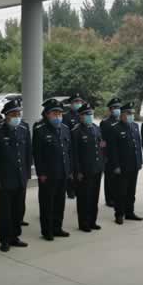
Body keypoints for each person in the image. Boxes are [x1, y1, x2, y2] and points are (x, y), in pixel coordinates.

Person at [0, 99, 32, 252]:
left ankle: (15, 236)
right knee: (6, 213)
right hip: (5, 180)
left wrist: (27, 175)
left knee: (18, 210)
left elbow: (28, 154)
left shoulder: (23, 130)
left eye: (18, 114)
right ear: (6, 116)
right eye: (14, 114)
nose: (17, 117)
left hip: (20, 178)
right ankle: (5, 240)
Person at [33, 98, 72, 241]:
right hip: (48, 174)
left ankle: (57, 227)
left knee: (60, 202)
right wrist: (41, 173)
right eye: (54, 113)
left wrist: (69, 170)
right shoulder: (40, 130)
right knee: (47, 203)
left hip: (63, 172)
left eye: (60, 113)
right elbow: (37, 154)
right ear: (47, 114)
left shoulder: (65, 129)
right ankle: (47, 230)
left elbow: (68, 151)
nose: (58, 116)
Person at [107, 102, 143, 225]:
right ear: (122, 114)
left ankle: (129, 212)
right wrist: (116, 166)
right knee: (121, 192)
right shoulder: (115, 128)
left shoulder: (135, 126)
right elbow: (112, 150)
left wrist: (140, 161)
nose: (131, 115)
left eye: (132, 113)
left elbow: (138, 145)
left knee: (131, 191)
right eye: (128, 113)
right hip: (122, 167)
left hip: (134, 164)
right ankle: (119, 214)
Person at [71, 103, 104, 232]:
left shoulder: (96, 128)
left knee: (94, 197)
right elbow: (74, 154)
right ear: (80, 116)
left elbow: (100, 147)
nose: (89, 116)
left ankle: (92, 221)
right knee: (84, 198)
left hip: (96, 169)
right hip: (84, 171)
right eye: (86, 114)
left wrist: (101, 165)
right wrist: (77, 171)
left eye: (91, 114)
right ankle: (83, 223)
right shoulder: (76, 131)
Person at [100, 97, 122, 208]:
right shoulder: (105, 123)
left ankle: (117, 197)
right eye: (115, 107)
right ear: (110, 109)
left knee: (118, 179)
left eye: (118, 107)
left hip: (119, 154)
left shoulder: (121, 121)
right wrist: (104, 156)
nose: (117, 109)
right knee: (109, 178)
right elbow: (102, 142)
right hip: (109, 154)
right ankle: (109, 199)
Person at [63, 93, 84, 201]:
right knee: (71, 168)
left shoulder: (82, 115)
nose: (78, 103)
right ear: (71, 104)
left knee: (79, 167)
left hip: (81, 145)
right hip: (70, 145)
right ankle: (70, 189)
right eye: (76, 102)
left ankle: (77, 188)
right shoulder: (66, 116)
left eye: (79, 101)